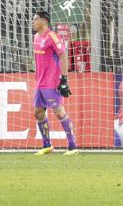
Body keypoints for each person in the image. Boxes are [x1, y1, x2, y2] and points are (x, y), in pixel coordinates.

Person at [31, 11, 77, 155]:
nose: (33, 22)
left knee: (58, 111)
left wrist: (64, 79)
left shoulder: (52, 36)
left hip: (52, 82)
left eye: (36, 19)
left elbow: (63, 56)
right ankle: (47, 145)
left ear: (45, 21)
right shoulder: (36, 37)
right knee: (38, 112)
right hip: (40, 83)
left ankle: (73, 146)